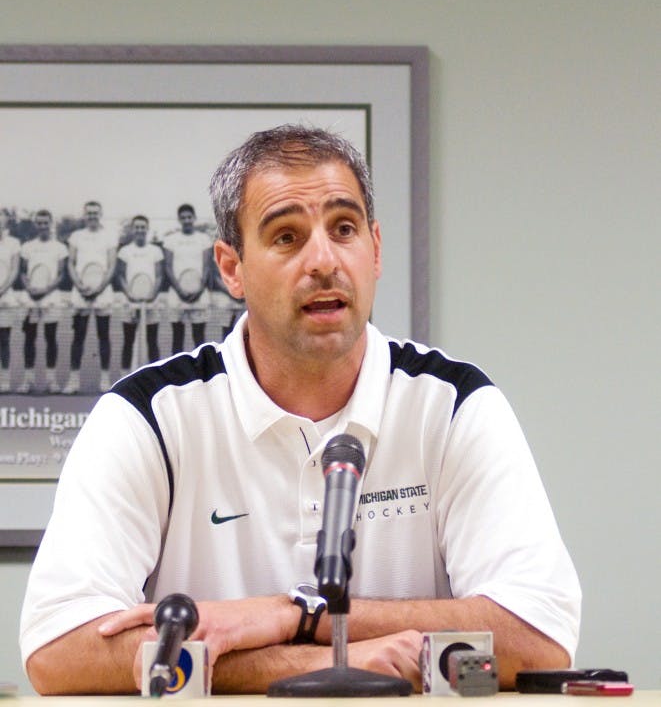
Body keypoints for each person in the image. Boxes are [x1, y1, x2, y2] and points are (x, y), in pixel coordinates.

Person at [20, 125, 581, 696]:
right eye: (287, 237)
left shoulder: (455, 405)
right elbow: (59, 650)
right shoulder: (148, 417)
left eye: (344, 229)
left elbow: (539, 634)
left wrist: (294, 615)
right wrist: (325, 661)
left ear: (376, 248)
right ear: (231, 268)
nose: (323, 260)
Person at [64, 201, 117, 394]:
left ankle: (105, 380)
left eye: (95, 213)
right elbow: (71, 262)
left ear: (100, 214)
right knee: (78, 337)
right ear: (84, 215)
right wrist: (80, 286)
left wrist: (99, 288)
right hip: (80, 292)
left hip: (103, 293)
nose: (92, 216)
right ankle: (73, 381)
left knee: (104, 336)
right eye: (89, 213)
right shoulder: (76, 236)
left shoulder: (109, 236)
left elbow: (111, 265)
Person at [18, 209, 69, 393]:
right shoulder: (27, 247)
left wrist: (46, 290)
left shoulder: (60, 248)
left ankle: (51, 382)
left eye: (45, 223)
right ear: (35, 225)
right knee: (29, 339)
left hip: (51, 299)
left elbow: (61, 274)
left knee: (50, 338)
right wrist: (30, 288)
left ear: (50, 223)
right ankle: (28, 381)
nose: (42, 226)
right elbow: (23, 272)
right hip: (30, 299)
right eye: (39, 223)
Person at [116, 215, 165, 373]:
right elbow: (121, 276)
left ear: (147, 229)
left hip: (151, 302)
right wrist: (129, 293)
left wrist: (152, 294)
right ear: (132, 229)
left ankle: (155, 378)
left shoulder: (156, 251)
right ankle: (124, 377)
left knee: (152, 341)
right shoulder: (124, 251)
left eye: (143, 227)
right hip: (130, 301)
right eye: (137, 227)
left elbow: (159, 276)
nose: (140, 230)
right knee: (128, 340)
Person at [163, 203, 213, 353]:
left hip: (199, 295)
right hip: (177, 296)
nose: (186, 220)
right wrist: (180, 291)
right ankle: (178, 375)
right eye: (183, 217)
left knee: (199, 338)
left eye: (189, 217)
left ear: (194, 218)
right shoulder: (170, 240)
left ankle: (202, 375)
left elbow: (207, 266)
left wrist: (198, 290)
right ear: (179, 219)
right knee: (177, 338)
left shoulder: (204, 239)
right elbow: (168, 267)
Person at [0, 208, 20, 392]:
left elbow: (14, 270)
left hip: (5, 299)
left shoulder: (13, 243)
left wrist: (2, 290)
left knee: (3, 340)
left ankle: (4, 381)